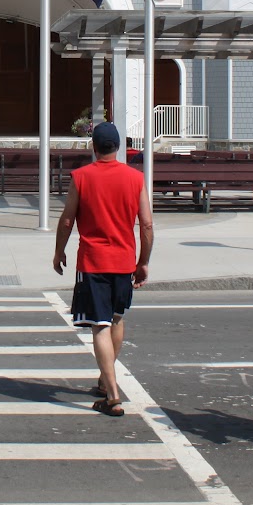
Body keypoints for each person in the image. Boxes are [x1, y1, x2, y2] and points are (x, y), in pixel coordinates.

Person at [52, 121, 153, 418]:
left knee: (100, 325)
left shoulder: (82, 177)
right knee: (116, 319)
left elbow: (67, 220)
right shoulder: (135, 178)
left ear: (93, 147)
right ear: (118, 147)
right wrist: (143, 261)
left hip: (93, 261)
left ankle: (112, 396)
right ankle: (104, 379)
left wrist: (59, 251)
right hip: (124, 261)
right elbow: (147, 224)